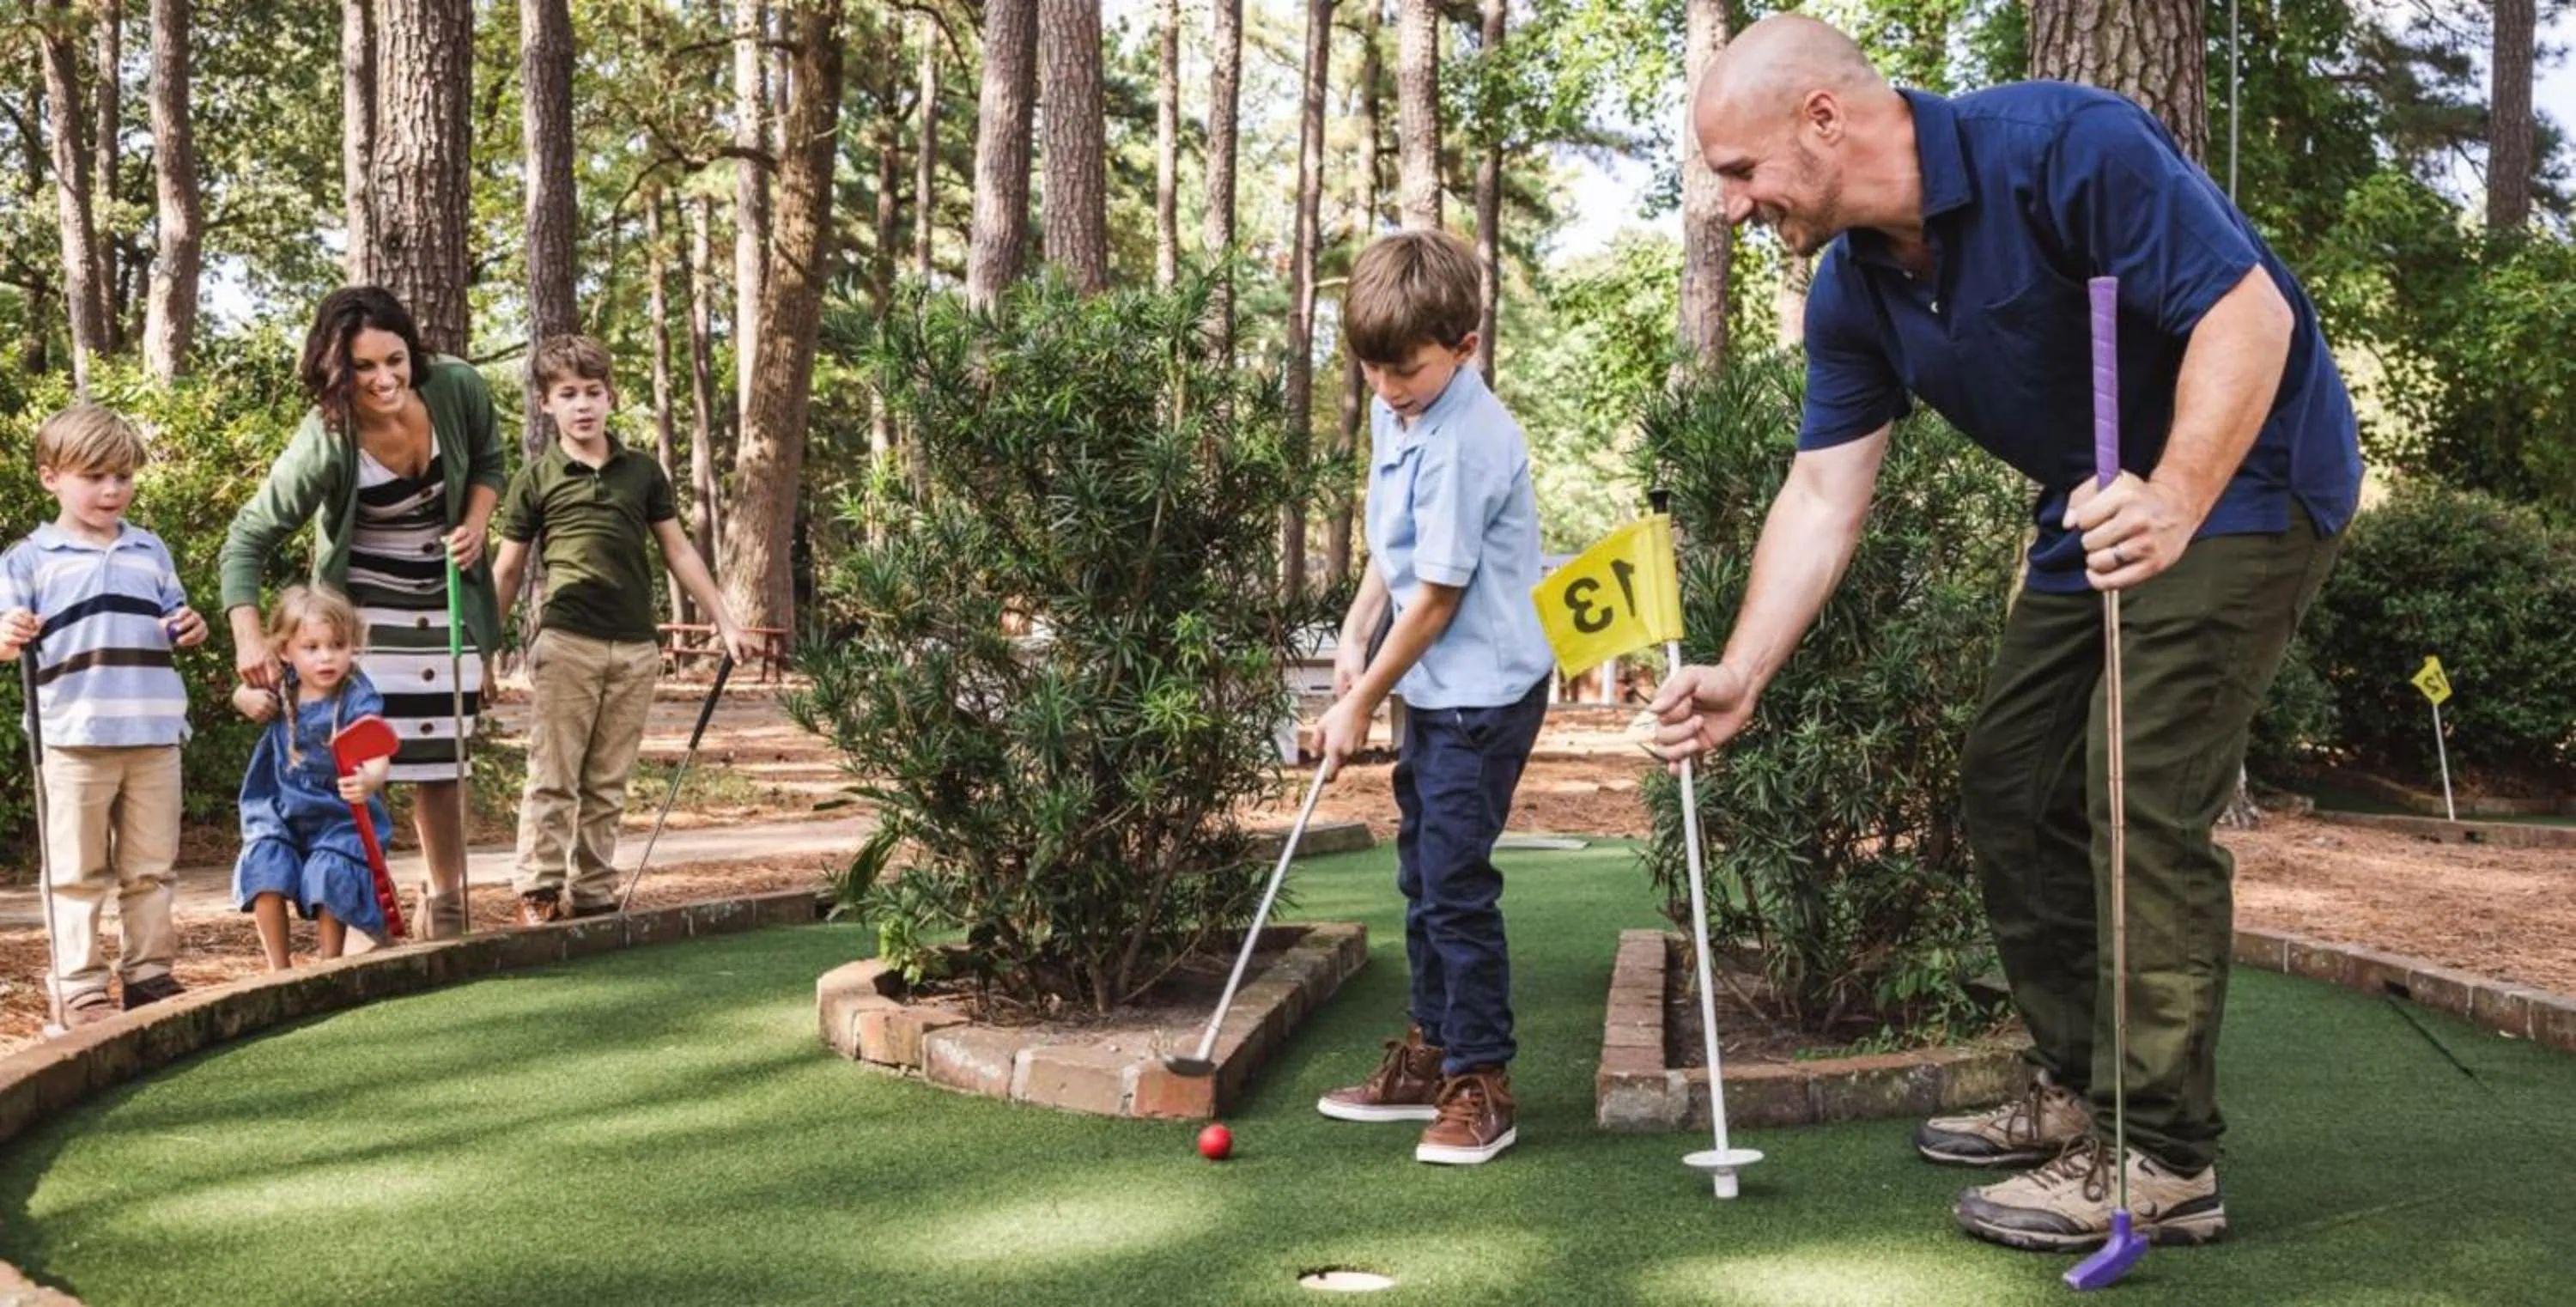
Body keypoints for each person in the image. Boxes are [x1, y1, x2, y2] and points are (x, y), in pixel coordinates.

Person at [1655, 15, 2360, 1251]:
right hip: (2090, 497)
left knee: (2136, 784)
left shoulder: (2066, 146)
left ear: (1824, 119)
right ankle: (2082, 1085)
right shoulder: (1855, 288)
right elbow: (1823, 491)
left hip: (2244, 480)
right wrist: (1745, 671)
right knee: (2011, 777)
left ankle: (2163, 1158)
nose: (1729, 205)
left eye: (1739, 170)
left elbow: (2250, 318)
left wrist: (2175, 496)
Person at [1309, 230, 1557, 1166]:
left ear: (1465, 344)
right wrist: (1354, 630)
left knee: (1454, 884)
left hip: (1483, 694)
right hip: (1433, 684)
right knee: (1421, 873)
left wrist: (1360, 701)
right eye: (1371, 369)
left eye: (1404, 369)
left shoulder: (1469, 443)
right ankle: (1431, 1050)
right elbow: (1395, 546)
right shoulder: (1401, 408)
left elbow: (1442, 599)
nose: (1385, 388)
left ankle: (1481, 1079)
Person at [221, 288, 508, 939]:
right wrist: (248, 637)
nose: (384, 379)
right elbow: (247, 538)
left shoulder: (456, 387)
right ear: (336, 371)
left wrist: (475, 523)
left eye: (395, 360)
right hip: (365, 620)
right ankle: (359, 913)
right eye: (363, 367)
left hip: (448, 601)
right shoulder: (328, 437)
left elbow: (491, 463)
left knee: (441, 762)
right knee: (359, 764)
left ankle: (447, 908)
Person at [490, 335, 750, 924]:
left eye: (592, 392)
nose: (582, 405)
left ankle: (594, 891)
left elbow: (678, 551)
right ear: (545, 404)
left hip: (635, 647)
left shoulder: (642, 473)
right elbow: (506, 571)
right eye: (567, 394)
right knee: (554, 774)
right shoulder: (536, 478)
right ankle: (539, 889)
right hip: (567, 641)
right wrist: (482, 649)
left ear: (610, 397)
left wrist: (725, 620)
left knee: (607, 779)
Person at [0, 404, 206, 1024]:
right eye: (94, 477)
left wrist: (188, 626)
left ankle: (149, 975)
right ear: (51, 478)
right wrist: (9, 633)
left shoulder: (149, 548)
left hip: (153, 732)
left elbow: (175, 616)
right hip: (73, 737)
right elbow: (6, 638)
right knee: (74, 871)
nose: (112, 489)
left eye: (123, 476)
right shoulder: (29, 559)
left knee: (151, 868)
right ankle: (78, 984)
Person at [228, 586, 393, 967]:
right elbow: (240, 693)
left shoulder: (355, 693)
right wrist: (245, 698)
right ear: (286, 651)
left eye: (338, 645)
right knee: (265, 865)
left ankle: (328, 964)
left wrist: (369, 780)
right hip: (277, 801)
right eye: (312, 648)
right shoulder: (281, 680)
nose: (326, 657)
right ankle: (279, 969)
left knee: (330, 872)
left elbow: (377, 748)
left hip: (338, 810)